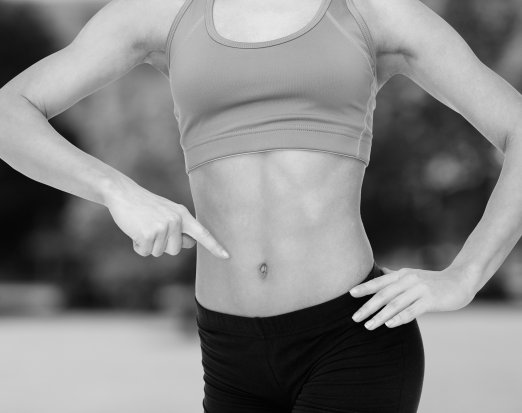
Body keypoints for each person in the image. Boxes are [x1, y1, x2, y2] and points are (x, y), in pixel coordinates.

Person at [1, 0, 521, 411]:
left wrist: (464, 275)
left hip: (351, 340)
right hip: (230, 354)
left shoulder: (374, 12)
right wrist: (117, 191)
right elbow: (9, 111)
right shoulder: (162, 13)